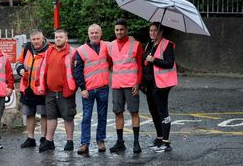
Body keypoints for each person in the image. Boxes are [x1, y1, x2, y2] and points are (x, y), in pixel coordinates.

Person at [37, 29, 77, 153]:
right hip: (50, 91)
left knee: (68, 117)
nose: (58, 39)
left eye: (61, 37)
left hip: (65, 90)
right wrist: (40, 84)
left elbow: (77, 71)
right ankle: (49, 141)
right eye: (56, 37)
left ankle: (70, 141)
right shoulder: (49, 51)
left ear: (66, 38)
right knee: (51, 117)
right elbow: (42, 69)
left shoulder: (73, 52)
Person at [106, 19, 143, 153]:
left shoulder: (136, 45)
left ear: (126, 30)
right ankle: (120, 142)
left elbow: (140, 66)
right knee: (118, 112)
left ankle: (136, 142)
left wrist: (138, 83)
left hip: (132, 84)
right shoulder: (110, 46)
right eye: (117, 30)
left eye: (121, 29)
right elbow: (110, 63)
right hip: (117, 85)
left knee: (134, 112)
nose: (119, 32)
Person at [73, 24, 110, 155]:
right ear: (88, 34)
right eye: (92, 33)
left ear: (101, 33)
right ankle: (85, 143)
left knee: (102, 116)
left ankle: (100, 141)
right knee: (86, 116)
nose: (94, 35)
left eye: (96, 32)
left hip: (103, 88)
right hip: (88, 89)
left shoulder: (107, 46)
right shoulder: (81, 50)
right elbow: (77, 71)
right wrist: (82, 88)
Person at [142, 22, 178, 152]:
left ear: (161, 32)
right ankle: (159, 138)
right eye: (151, 30)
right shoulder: (149, 44)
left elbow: (169, 63)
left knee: (163, 112)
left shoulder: (167, 44)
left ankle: (166, 142)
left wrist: (155, 60)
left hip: (161, 85)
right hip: (150, 85)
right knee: (154, 112)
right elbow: (145, 62)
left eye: (155, 30)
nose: (152, 33)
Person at [15, 30, 49, 148]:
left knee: (44, 114)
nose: (35, 42)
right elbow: (18, 62)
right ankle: (30, 138)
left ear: (42, 38)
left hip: (42, 88)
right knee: (29, 114)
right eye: (33, 39)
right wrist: (20, 69)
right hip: (27, 87)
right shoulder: (27, 48)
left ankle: (44, 138)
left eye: (37, 39)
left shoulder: (49, 50)